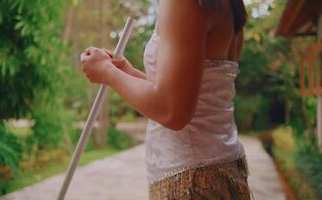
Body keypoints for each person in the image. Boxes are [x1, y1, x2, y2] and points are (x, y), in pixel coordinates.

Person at [80, 0, 250, 199]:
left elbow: (172, 111)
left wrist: (106, 72)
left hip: (191, 181)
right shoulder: (228, 4)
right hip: (218, 171)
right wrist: (126, 72)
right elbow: (182, 92)